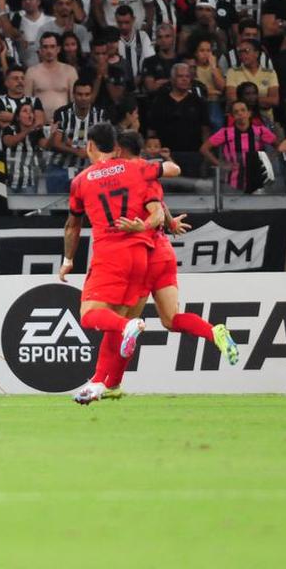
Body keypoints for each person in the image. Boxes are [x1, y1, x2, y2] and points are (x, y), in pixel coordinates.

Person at [84, 130, 240, 399]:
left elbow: (153, 212)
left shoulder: (127, 174)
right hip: (164, 252)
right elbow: (158, 205)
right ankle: (214, 331)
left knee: (122, 321)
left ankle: (103, 381)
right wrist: (169, 222)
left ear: (119, 150)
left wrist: (142, 226)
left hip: (144, 253)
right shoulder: (146, 174)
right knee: (171, 319)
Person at [57, 123, 181, 402]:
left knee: (91, 315)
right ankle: (102, 384)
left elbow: (72, 226)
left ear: (90, 145)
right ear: (116, 146)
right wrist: (159, 165)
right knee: (118, 320)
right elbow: (172, 171)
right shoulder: (136, 167)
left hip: (110, 253)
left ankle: (127, 329)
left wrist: (68, 261)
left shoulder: (81, 181)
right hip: (142, 256)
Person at [201, 101, 279, 192]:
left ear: (249, 113)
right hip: (232, 181)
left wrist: (267, 160)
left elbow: (279, 147)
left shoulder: (260, 130)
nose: (240, 113)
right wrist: (221, 164)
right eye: (236, 112)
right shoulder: (225, 132)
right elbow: (204, 149)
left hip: (256, 178)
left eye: (243, 110)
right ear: (232, 116)